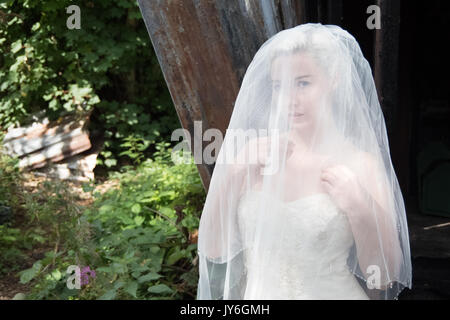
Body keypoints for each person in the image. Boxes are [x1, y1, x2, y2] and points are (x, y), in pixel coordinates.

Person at [196, 23, 412, 300]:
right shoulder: (252, 153)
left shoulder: (362, 165)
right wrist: (235, 173)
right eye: (279, 86)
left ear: (333, 78)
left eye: (303, 83)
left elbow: (383, 278)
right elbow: (213, 249)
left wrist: (359, 207)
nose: (289, 99)